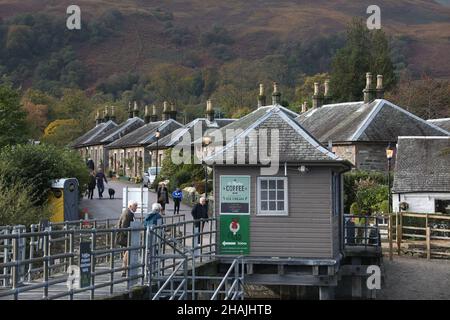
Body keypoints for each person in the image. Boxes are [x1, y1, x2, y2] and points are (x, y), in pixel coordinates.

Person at [116, 200, 137, 277]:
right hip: (124, 237)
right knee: (128, 251)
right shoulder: (127, 213)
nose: (136, 208)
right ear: (130, 206)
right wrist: (128, 235)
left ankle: (125, 269)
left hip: (125, 236)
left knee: (127, 252)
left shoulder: (129, 213)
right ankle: (124, 269)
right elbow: (124, 226)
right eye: (135, 206)